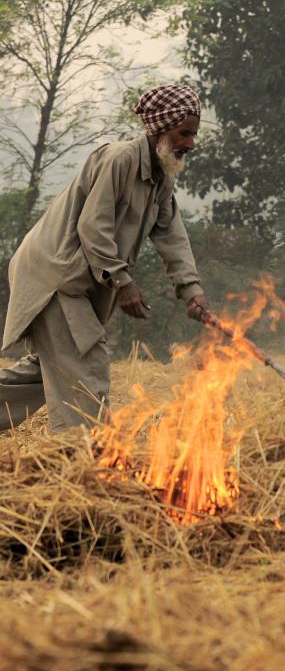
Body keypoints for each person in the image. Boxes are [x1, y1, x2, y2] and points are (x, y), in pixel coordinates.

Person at [0, 85, 211, 433]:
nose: (190, 143)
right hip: (56, 275)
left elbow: (171, 234)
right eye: (183, 133)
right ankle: (82, 455)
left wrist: (192, 290)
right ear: (158, 129)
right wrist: (123, 281)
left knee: (47, 373)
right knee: (86, 360)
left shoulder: (162, 175)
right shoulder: (119, 159)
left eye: (193, 134)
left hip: (73, 280)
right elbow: (92, 226)